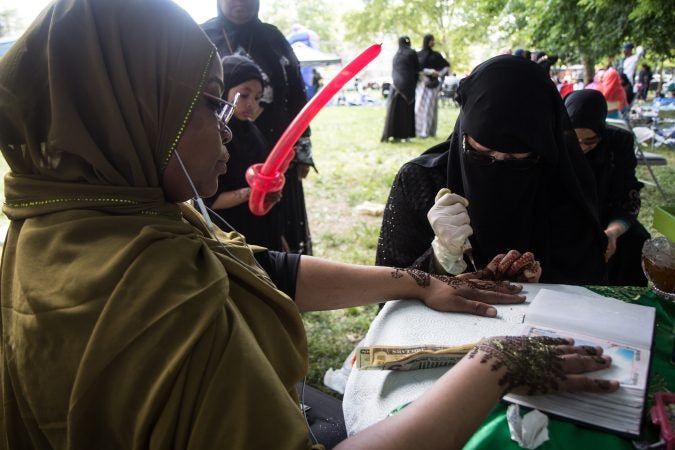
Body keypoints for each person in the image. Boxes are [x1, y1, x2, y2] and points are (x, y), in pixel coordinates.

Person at [0, 1, 621, 449]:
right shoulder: (135, 292)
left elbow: (259, 266)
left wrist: (417, 281)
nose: (231, 125)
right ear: (128, 116)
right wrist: (496, 365)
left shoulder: (108, 218)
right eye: (213, 103)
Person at [376, 55, 608, 285]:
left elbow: (587, 278)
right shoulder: (421, 180)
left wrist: (540, 281)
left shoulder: (563, 187)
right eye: (480, 154)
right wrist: (440, 258)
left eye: (517, 160)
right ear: (463, 135)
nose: (497, 168)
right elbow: (387, 291)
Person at [202, 0, 313, 255]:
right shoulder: (202, 36)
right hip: (219, 146)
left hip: (276, 147)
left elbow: (297, 96)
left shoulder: (273, 39)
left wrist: (303, 151)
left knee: (275, 217)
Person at [564, 90, 650, 286]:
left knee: (635, 240)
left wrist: (613, 231)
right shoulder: (556, 141)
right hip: (565, 215)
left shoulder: (618, 143)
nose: (581, 147)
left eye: (590, 141)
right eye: (574, 139)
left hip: (607, 214)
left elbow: (627, 192)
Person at [203, 55, 284, 250]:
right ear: (224, 90)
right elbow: (210, 201)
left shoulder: (252, 131)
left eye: (257, 97)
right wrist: (251, 193)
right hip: (231, 237)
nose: (252, 104)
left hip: (262, 229)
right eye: (244, 95)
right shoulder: (215, 134)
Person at [381, 36, 420, 142]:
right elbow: (417, 68)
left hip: (396, 86)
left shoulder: (396, 55)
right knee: (406, 111)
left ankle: (395, 135)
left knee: (396, 111)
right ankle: (405, 136)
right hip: (408, 86)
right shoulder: (411, 53)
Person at [415, 34, 450, 138]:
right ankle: (419, 131)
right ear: (427, 41)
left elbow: (446, 66)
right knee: (419, 108)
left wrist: (438, 74)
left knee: (430, 109)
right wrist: (428, 73)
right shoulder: (418, 55)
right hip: (422, 85)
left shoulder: (436, 55)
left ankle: (429, 132)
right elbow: (417, 69)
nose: (433, 42)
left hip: (433, 86)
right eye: (432, 40)